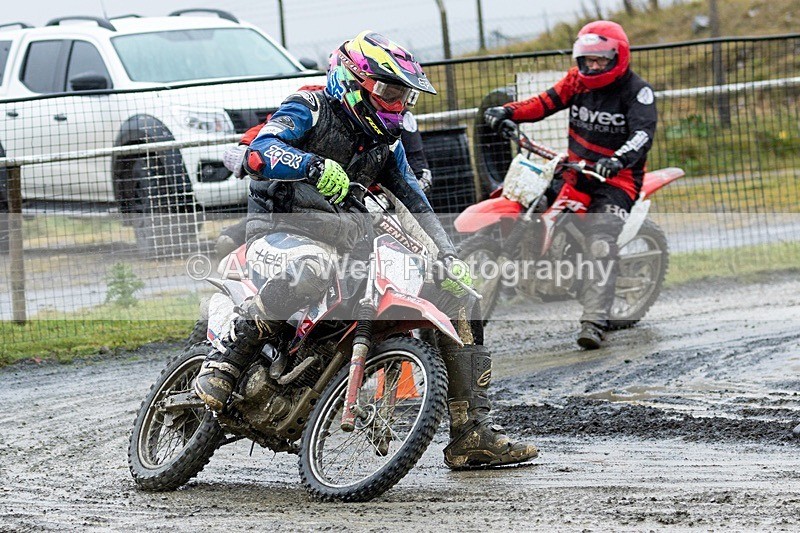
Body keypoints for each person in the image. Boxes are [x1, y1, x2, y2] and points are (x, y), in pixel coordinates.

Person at [194, 31, 538, 469]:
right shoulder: (310, 107)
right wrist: (311, 165)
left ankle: (471, 432)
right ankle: (226, 362)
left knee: (460, 298)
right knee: (312, 267)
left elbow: (414, 196)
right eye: (389, 91)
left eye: (403, 95)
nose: (397, 104)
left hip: (347, 242)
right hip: (280, 231)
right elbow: (261, 150)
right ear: (352, 80)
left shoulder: (386, 143)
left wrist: (448, 255)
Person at [483, 20, 657, 350]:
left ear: (617, 57)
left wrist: (617, 160)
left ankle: (594, 319)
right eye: (587, 59)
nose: (592, 66)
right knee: (531, 203)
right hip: (576, 170)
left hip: (617, 181)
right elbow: (542, 103)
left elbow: (642, 135)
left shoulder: (638, 92)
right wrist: (506, 111)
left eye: (600, 60)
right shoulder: (576, 81)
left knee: (600, 240)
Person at [214, 109, 433, 261]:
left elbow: (420, 173)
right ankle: (240, 242)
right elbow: (271, 128)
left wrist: (387, 199)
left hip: (371, 201)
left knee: (407, 256)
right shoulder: (316, 104)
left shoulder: (401, 118)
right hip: (310, 192)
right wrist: (245, 147)